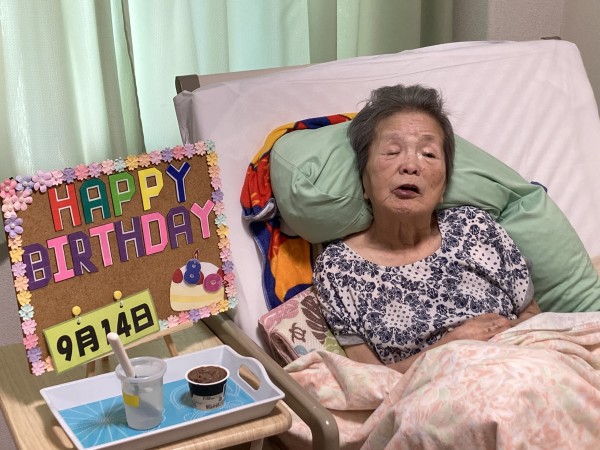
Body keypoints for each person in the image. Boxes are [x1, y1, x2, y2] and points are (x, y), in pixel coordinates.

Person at [313, 84, 541, 373]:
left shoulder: (475, 227)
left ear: (444, 186)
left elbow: (534, 320)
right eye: (392, 151)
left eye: (429, 154)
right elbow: (369, 379)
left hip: (525, 368)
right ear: (364, 181)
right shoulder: (337, 268)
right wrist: (450, 347)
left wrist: (503, 342)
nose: (410, 165)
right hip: (436, 391)